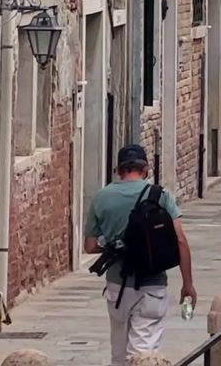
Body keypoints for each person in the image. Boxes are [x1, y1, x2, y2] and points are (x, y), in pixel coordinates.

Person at [85, 144, 195, 366]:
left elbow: (90, 246)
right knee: (144, 351)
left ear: (118, 170)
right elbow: (180, 240)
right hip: (152, 283)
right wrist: (188, 284)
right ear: (145, 169)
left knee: (119, 352)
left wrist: (115, 246)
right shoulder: (160, 195)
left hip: (117, 285)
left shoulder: (101, 197)